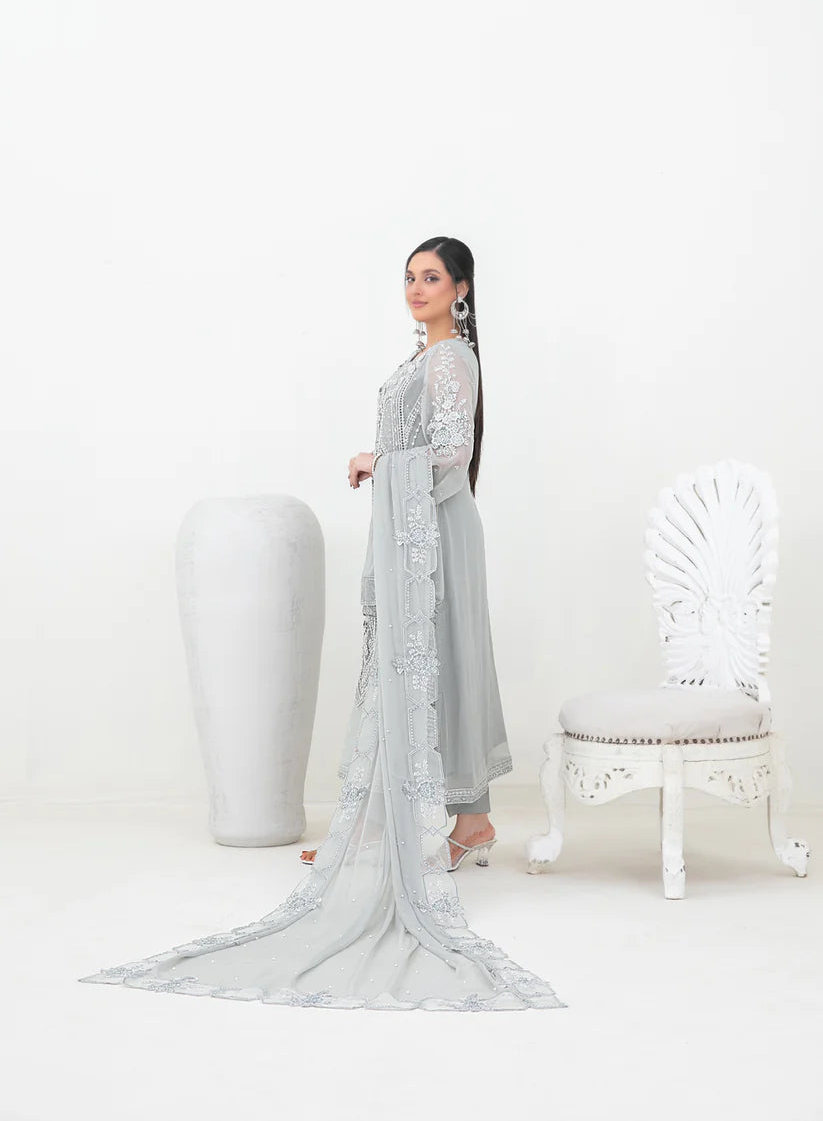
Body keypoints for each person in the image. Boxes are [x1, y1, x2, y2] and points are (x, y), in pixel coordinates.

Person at [77, 236, 567, 1012]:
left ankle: (429, 827)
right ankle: (462, 820)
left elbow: (450, 452)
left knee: (432, 659)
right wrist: (385, 461)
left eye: (431, 278)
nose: (415, 288)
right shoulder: (425, 356)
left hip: (436, 532)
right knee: (427, 660)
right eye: (408, 277)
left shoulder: (449, 359)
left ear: (462, 289)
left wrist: (378, 463)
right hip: (421, 526)